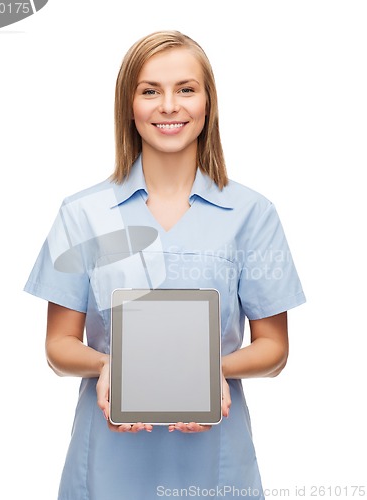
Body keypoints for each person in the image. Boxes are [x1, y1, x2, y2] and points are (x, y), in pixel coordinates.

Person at [25, 30, 306, 500]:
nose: (169, 106)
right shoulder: (83, 213)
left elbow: (274, 349)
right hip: (107, 466)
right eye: (150, 90)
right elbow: (57, 346)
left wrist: (208, 371)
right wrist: (112, 366)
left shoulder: (252, 214)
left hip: (215, 468)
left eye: (186, 89)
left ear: (207, 104)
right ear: (129, 106)